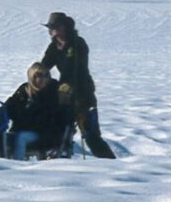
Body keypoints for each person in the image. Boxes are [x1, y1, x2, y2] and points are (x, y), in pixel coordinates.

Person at [40, 12, 116, 159]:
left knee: (90, 135)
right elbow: (45, 65)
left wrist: (67, 87)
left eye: (55, 27)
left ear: (65, 27)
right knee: (60, 130)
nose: (52, 30)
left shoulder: (78, 43)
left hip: (83, 94)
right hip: (64, 95)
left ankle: (111, 163)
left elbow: (75, 69)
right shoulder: (54, 46)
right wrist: (36, 74)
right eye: (50, 27)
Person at [4, 63, 68, 160]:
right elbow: (10, 108)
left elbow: (50, 117)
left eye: (46, 75)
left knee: (21, 138)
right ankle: (1, 165)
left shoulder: (53, 91)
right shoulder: (24, 90)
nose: (43, 79)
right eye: (39, 75)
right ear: (31, 77)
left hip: (45, 133)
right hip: (22, 129)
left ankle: (17, 166)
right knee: (3, 137)